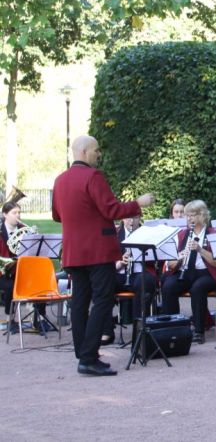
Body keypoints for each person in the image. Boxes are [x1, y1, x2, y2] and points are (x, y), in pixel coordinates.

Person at [52, 135, 154, 376]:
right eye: (97, 150)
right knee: (103, 300)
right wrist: (138, 203)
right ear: (85, 151)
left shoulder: (60, 180)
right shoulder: (93, 176)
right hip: (97, 250)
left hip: (73, 252)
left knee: (79, 301)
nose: (99, 154)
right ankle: (88, 357)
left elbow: (57, 215)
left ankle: (83, 353)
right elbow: (112, 209)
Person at [160, 200, 216, 344]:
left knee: (197, 288)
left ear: (202, 215)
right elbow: (171, 265)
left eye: (192, 215)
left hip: (207, 273)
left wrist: (200, 249)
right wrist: (180, 256)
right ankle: (174, 328)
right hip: (186, 271)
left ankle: (199, 331)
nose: (189, 219)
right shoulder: (181, 234)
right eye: (187, 216)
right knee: (168, 287)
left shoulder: (214, 234)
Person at [103, 215, 158, 345]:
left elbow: (157, 259)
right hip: (120, 272)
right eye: (128, 218)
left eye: (135, 217)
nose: (131, 221)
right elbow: (106, 258)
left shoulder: (147, 234)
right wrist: (119, 263)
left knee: (145, 284)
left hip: (140, 272)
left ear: (140, 218)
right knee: (103, 285)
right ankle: (107, 331)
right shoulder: (115, 234)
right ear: (122, 219)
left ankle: (138, 332)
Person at [1, 200, 44, 333]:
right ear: (5, 215)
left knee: (41, 284)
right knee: (12, 286)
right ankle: (10, 320)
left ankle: (39, 320)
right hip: (3, 273)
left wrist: (34, 239)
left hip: (21, 271)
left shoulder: (24, 231)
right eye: (14, 213)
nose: (18, 215)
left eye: (19, 212)